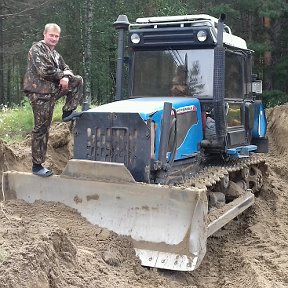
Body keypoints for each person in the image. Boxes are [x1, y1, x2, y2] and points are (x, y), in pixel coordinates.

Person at [23, 23, 83, 177]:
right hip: (40, 93)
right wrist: (62, 75)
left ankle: (68, 111)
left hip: (52, 91)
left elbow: (67, 67)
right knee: (42, 128)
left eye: (57, 36)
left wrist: (66, 75)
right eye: (51, 35)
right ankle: (37, 166)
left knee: (77, 80)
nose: (54, 38)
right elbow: (45, 71)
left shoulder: (55, 54)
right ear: (45, 34)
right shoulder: (37, 49)